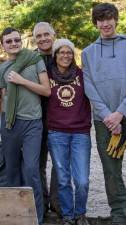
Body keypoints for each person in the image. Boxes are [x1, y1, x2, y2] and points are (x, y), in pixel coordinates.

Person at [0, 27, 51, 225]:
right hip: (10, 124)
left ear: (21, 41)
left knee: (31, 169)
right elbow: (3, 99)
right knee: (11, 171)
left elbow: (46, 91)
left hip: (33, 124)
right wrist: (5, 122)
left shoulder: (34, 60)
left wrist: (21, 81)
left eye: (16, 40)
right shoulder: (1, 69)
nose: (13, 44)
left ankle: (36, 216)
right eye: (9, 41)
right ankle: (16, 214)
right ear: (3, 45)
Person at [82, 3, 126, 225]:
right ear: (96, 23)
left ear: (116, 19)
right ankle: (120, 215)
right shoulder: (88, 53)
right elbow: (88, 86)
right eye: (101, 19)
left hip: (122, 115)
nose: (105, 23)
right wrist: (109, 116)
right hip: (104, 122)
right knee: (111, 171)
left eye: (109, 18)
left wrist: (120, 113)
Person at [48, 39, 91, 225]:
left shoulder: (82, 75)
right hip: (56, 132)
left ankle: (80, 214)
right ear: (55, 55)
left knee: (81, 180)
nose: (65, 55)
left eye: (69, 52)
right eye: (61, 52)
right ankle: (67, 216)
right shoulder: (46, 75)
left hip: (80, 132)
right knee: (63, 179)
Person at [33, 21, 60, 216]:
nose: (43, 38)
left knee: (59, 164)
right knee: (38, 163)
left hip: (61, 118)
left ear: (53, 35)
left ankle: (57, 203)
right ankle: (41, 203)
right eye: (39, 36)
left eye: (46, 34)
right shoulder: (31, 59)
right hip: (38, 118)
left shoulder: (63, 54)